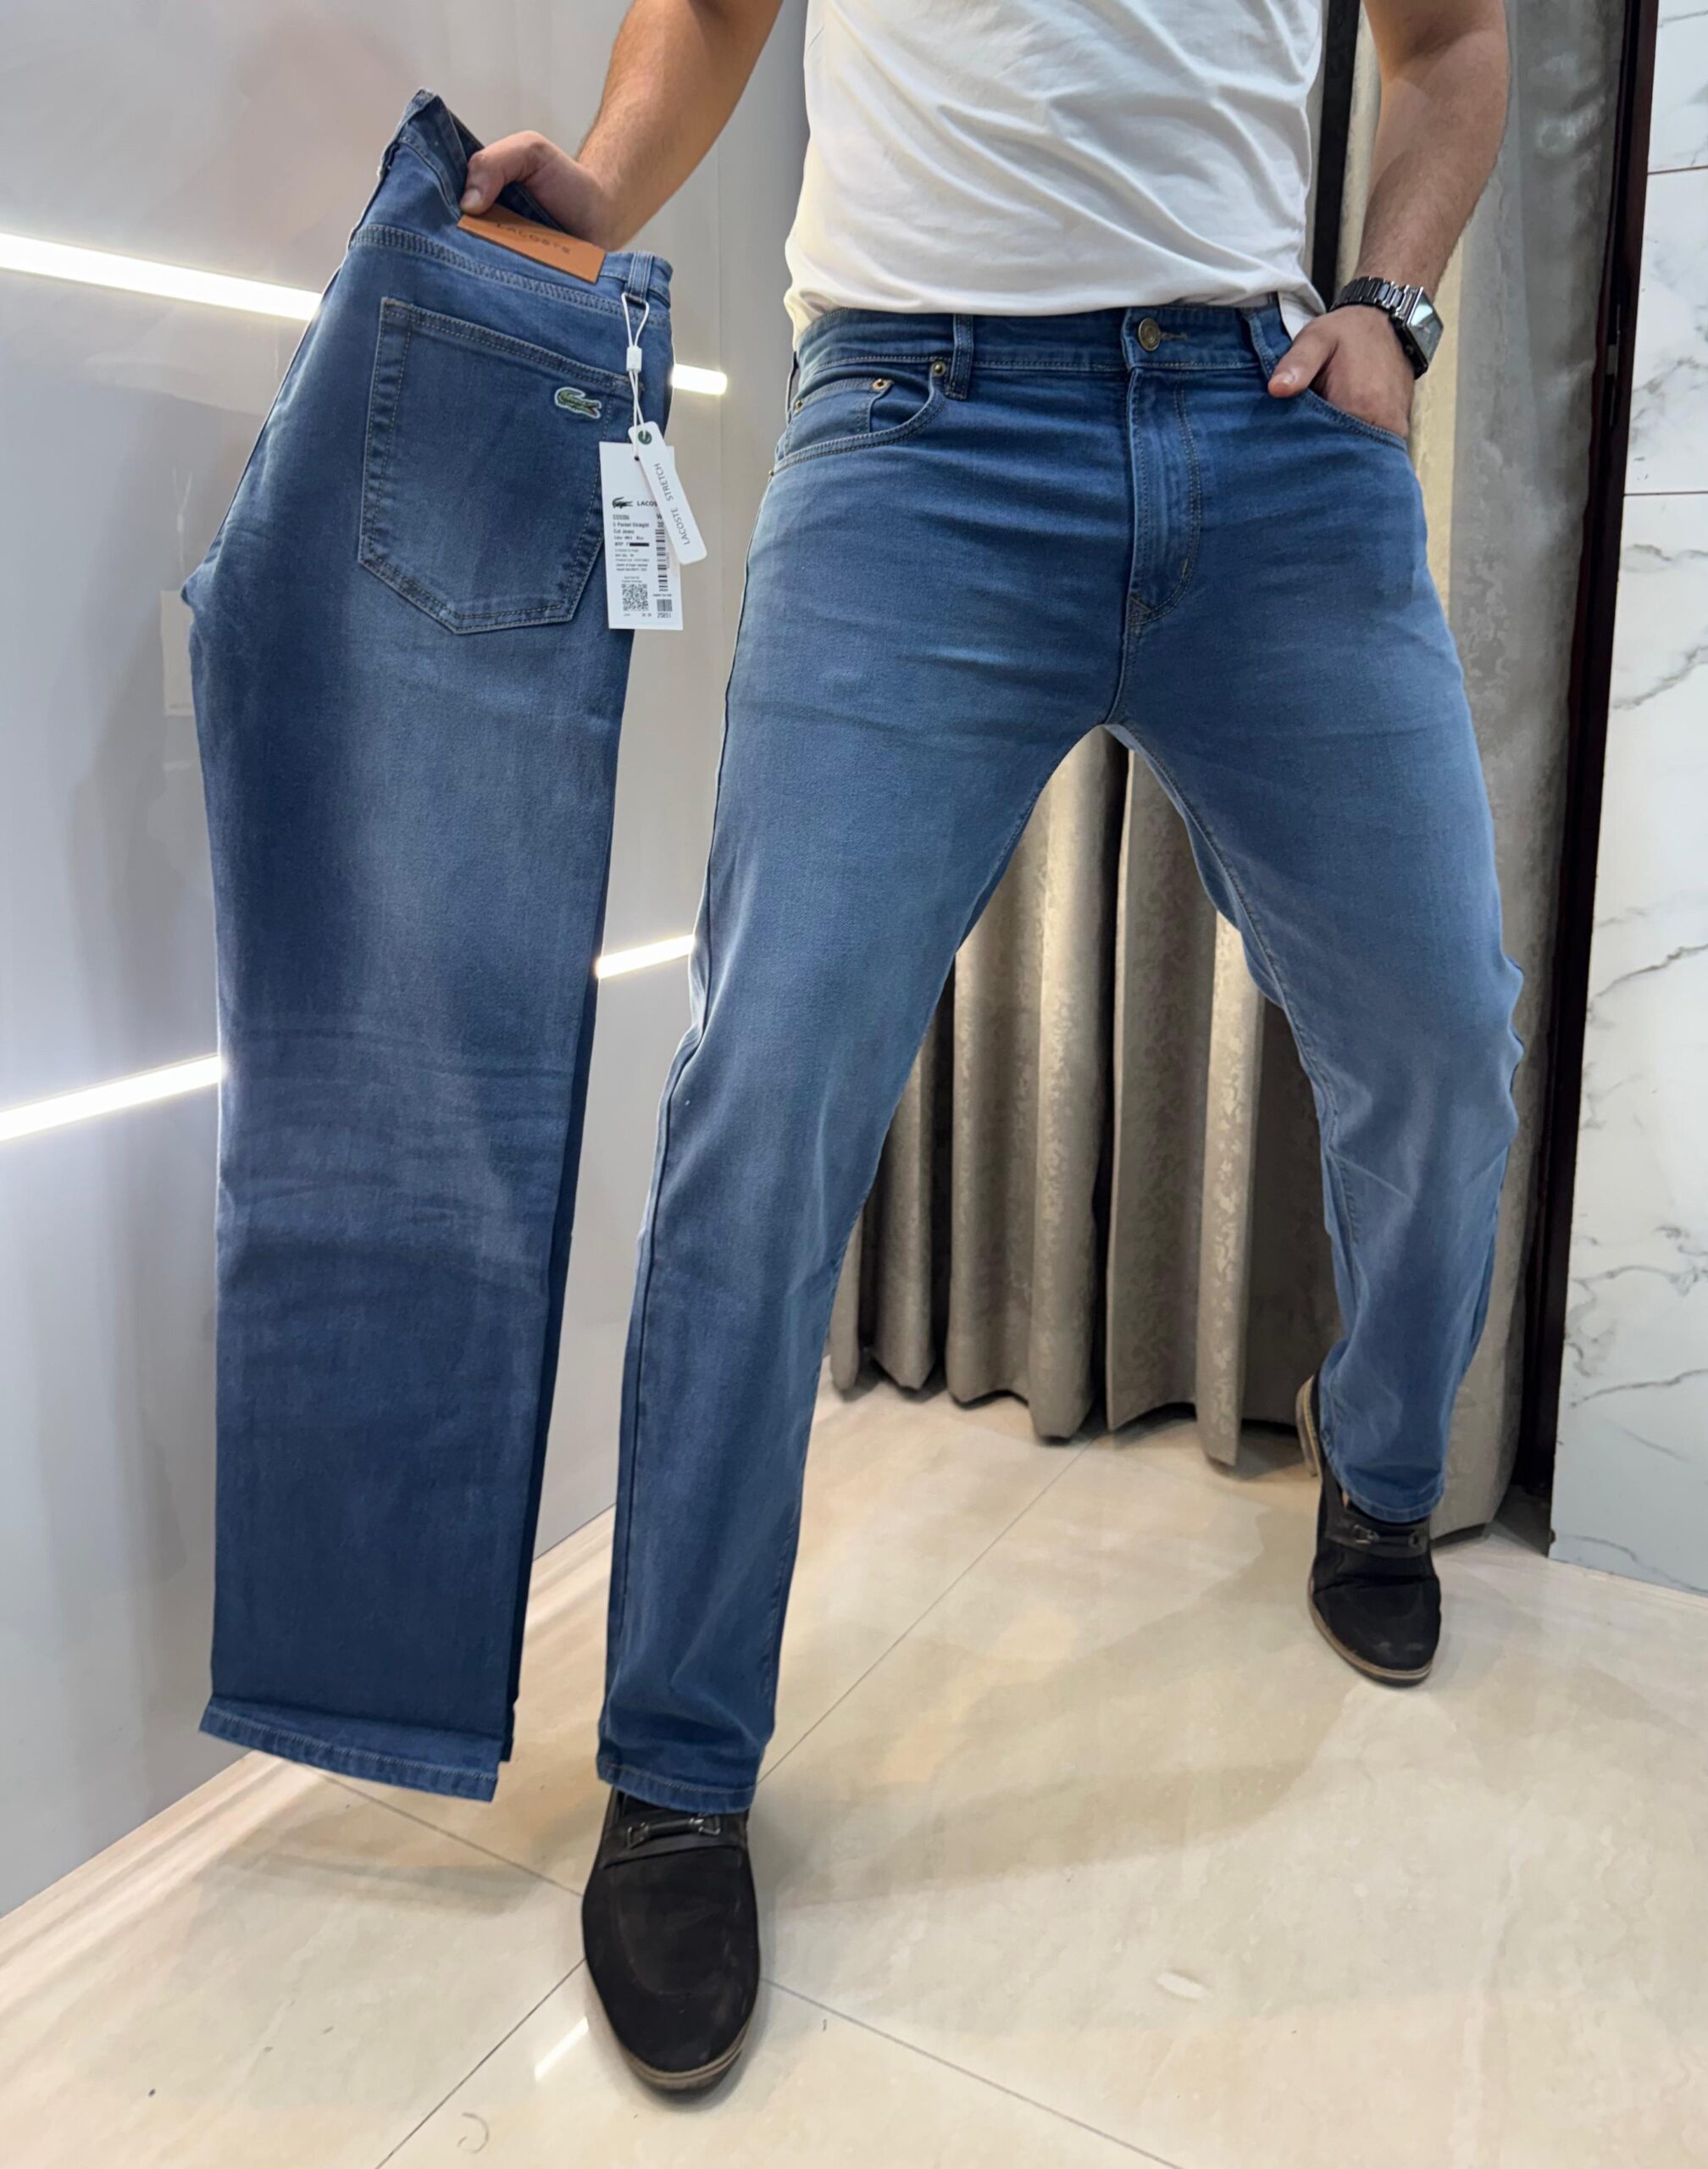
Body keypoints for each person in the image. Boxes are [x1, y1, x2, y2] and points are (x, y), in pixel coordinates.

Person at [462, 0, 1519, 2093]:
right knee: (764, 1091)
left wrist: (1392, 304)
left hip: (1262, 424)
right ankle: (676, 1765)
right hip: (913, 434)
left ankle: (1382, 1474)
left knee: (1440, 1033)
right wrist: (605, 177)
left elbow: (1453, 39)